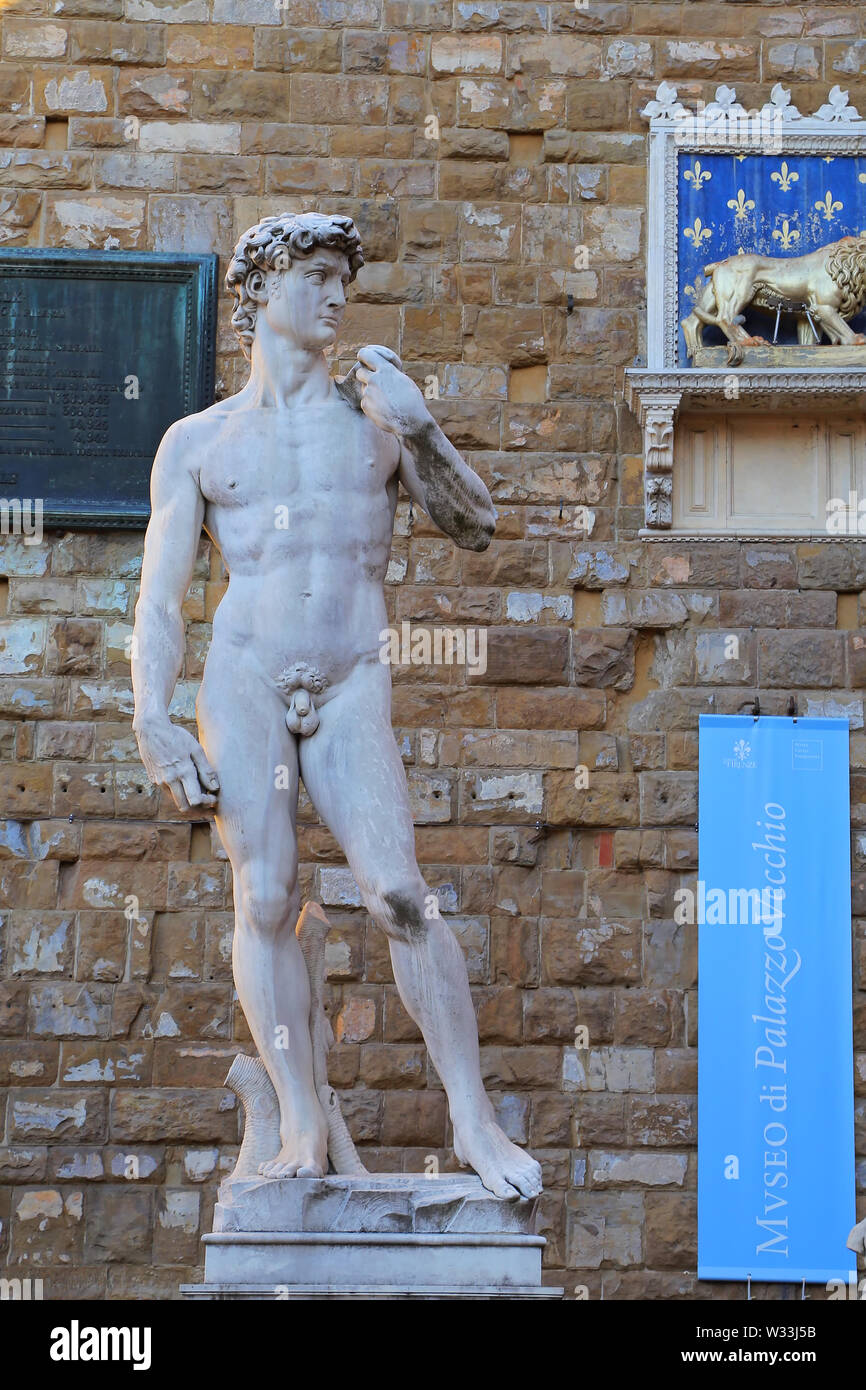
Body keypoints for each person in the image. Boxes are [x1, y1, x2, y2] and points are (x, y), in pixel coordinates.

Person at [131, 212, 542, 1200]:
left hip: (351, 671)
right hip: (246, 674)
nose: (334, 296)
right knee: (265, 899)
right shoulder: (199, 441)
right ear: (259, 291)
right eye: (314, 275)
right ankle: (303, 1125)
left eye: (339, 279)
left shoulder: (377, 422)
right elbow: (158, 596)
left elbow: (477, 524)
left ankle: (473, 1122)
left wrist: (422, 423)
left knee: (400, 893)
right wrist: (152, 714)